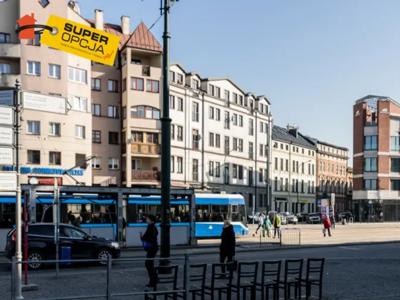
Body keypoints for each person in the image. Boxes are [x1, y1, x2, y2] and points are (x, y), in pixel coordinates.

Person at [141, 214, 159, 287]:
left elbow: (151, 237)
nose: (146, 220)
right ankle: (154, 279)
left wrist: (144, 238)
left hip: (152, 248)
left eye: (147, 219)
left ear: (151, 220)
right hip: (153, 247)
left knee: (148, 264)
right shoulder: (152, 227)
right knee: (149, 264)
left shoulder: (151, 227)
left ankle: (153, 280)